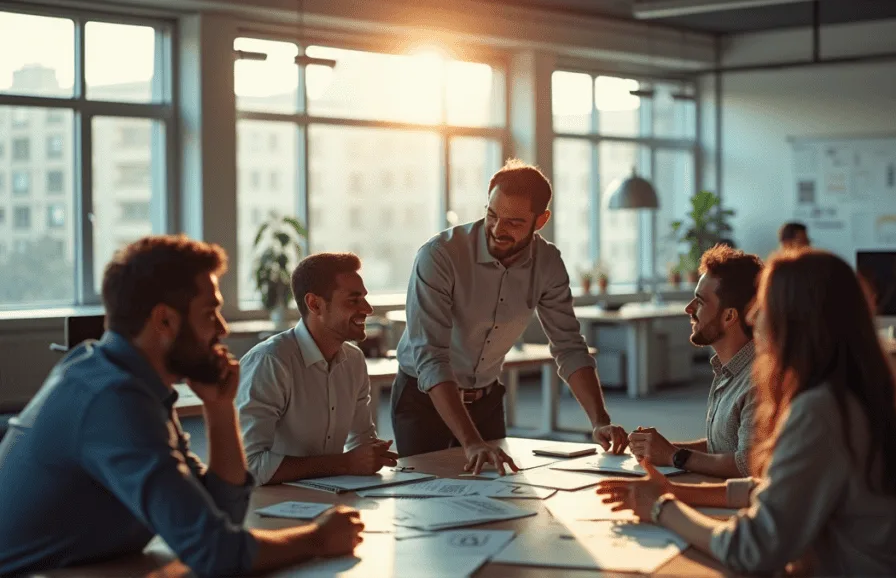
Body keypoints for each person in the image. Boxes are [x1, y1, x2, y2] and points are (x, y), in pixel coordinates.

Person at [0, 236, 364, 577]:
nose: (222, 328)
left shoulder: (128, 382)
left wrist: (220, 409)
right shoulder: (112, 400)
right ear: (164, 320)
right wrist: (318, 539)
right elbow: (215, 552)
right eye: (210, 313)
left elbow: (222, 513)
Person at [598, 249, 896, 576]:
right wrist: (675, 491)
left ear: (795, 321)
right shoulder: (847, 394)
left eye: (764, 307)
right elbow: (773, 489)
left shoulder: (820, 411)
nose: (753, 318)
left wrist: (662, 508)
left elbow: (751, 549)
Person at [393, 159, 628, 472]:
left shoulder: (547, 263)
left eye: (514, 223)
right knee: (425, 492)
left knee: (498, 493)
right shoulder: (440, 255)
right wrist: (471, 442)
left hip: (486, 400)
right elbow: (431, 358)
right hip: (425, 399)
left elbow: (569, 346)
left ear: (541, 220)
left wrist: (599, 421)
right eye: (492, 215)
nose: (498, 230)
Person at [237, 252, 398, 486]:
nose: (368, 309)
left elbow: (361, 441)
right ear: (315, 304)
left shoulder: (354, 360)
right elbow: (248, 466)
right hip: (271, 502)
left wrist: (372, 455)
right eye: (354, 300)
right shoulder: (270, 361)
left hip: (328, 495)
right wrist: (345, 463)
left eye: (364, 298)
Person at [628, 244, 763, 479]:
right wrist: (661, 449)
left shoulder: (759, 380)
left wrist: (674, 456)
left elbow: (747, 465)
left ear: (729, 316)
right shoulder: (730, 369)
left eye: (700, 301)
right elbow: (722, 446)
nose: (689, 308)